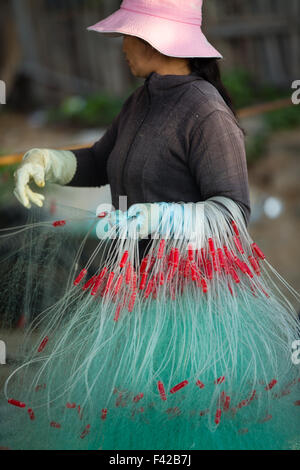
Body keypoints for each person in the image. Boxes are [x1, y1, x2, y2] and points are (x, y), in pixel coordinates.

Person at [2, 0, 300, 450]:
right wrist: (50, 161)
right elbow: (101, 161)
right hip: (136, 291)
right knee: (135, 414)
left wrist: (162, 217)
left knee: (183, 421)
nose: (121, 46)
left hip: (190, 304)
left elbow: (234, 212)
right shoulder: (142, 100)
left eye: (127, 35)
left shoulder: (206, 113)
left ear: (156, 39)